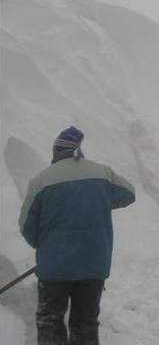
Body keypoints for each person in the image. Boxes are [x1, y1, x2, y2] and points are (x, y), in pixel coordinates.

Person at [19, 126, 135, 345]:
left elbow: (26, 225)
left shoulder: (41, 181)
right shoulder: (102, 174)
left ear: (55, 152)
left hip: (54, 269)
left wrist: (44, 246)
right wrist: (101, 201)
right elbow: (129, 194)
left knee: (50, 323)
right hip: (93, 265)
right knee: (85, 323)